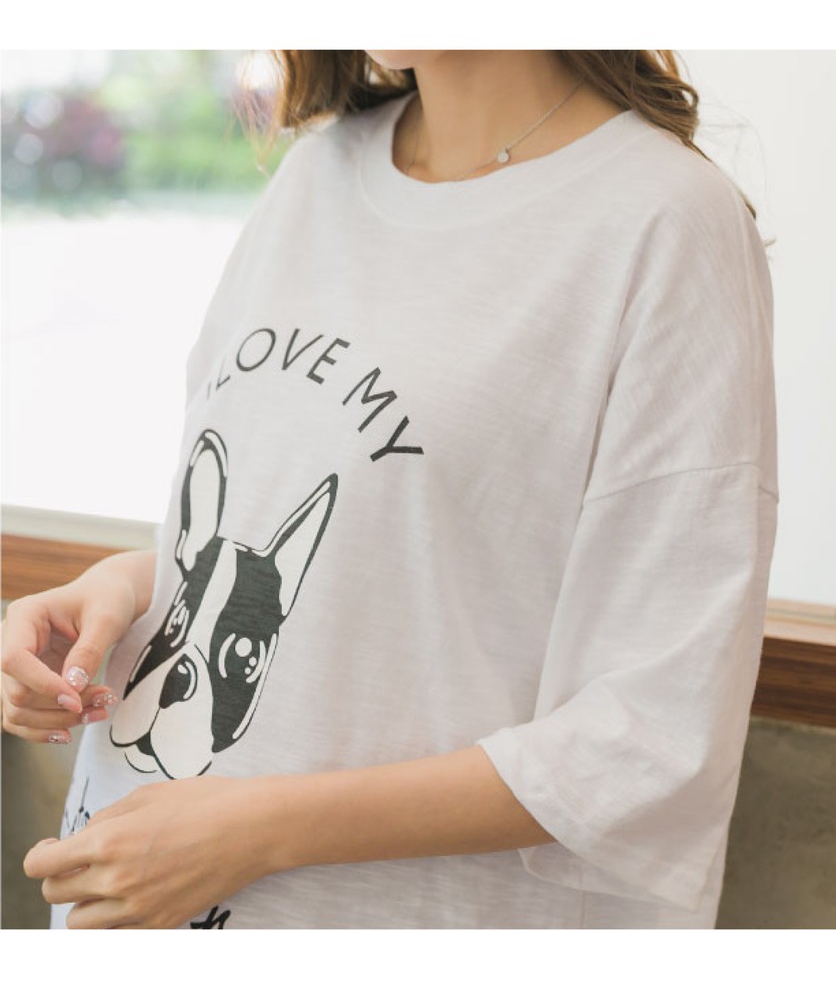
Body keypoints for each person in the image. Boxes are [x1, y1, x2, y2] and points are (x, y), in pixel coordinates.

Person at [1, 50, 778, 929]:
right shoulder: (315, 175)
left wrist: (259, 831)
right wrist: (129, 587)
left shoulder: (665, 223)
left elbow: (648, 734)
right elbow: (356, 559)